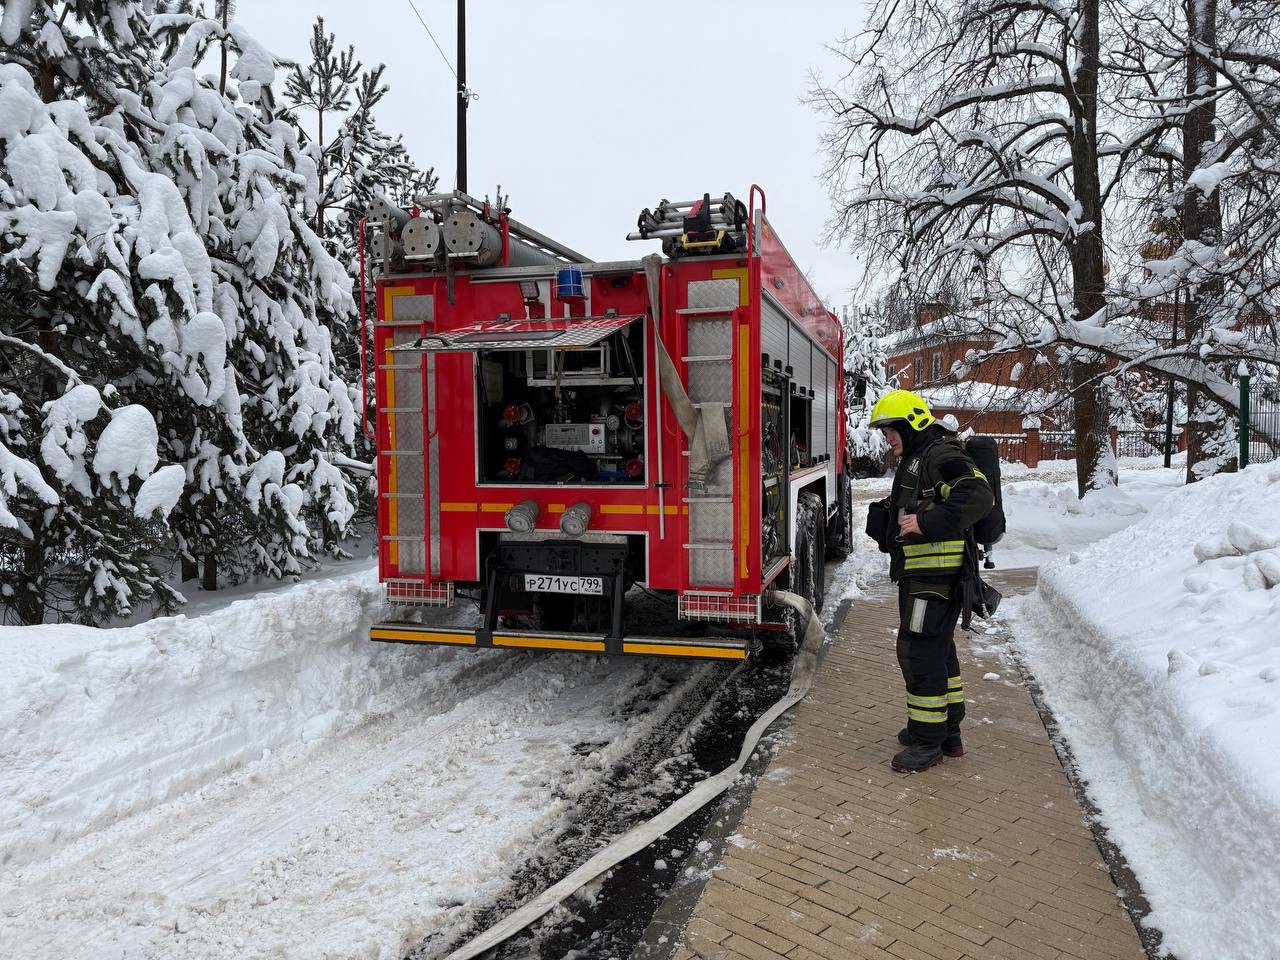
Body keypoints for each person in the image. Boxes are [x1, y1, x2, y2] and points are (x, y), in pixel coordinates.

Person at [865, 390, 994, 773]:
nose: (887, 437)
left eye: (891, 429)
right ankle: (948, 733)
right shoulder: (919, 458)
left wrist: (924, 522)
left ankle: (927, 742)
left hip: (935, 581)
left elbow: (978, 493)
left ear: (911, 424)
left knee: (918, 653)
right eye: (884, 430)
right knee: (938, 651)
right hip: (925, 579)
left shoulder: (940, 455)